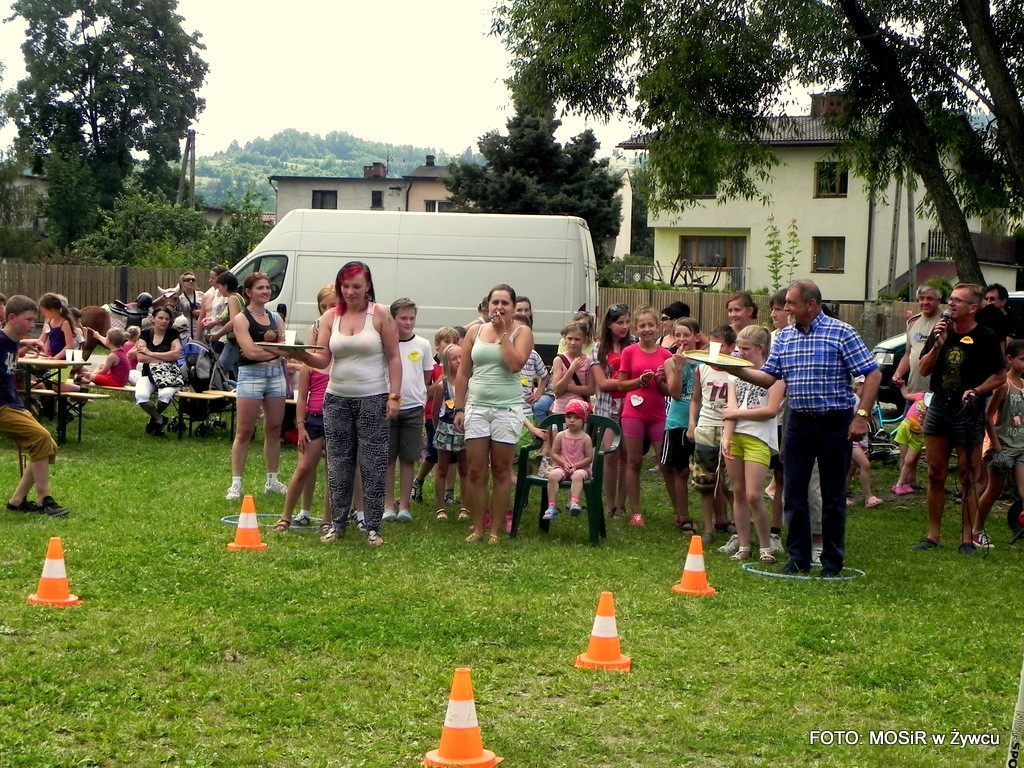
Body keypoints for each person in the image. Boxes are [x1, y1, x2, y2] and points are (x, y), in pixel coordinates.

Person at [729, 280, 880, 576]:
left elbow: (872, 374)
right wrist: (731, 369)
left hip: (834, 422)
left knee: (832, 495)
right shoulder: (785, 337)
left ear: (811, 305)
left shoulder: (841, 332)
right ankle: (798, 558)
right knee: (794, 493)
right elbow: (768, 378)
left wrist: (861, 415)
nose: (786, 308)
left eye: (791, 303)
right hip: (798, 422)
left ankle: (831, 562)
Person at [297, 261, 402, 547]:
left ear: (367, 286)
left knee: (373, 464)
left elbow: (394, 357)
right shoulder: (331, 317)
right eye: (345, 286)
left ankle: (373, 527)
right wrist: (300, 354)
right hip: (337, 398)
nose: (350, 291)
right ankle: (337, 525)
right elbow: (323, 360)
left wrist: (394, 396)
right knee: (338, 463)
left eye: (356, 286)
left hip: (373, 397)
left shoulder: (379, 314)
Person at [913, 282, 1006, 554]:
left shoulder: (986, 336)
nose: (951, 304)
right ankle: (932, 535)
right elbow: (924, 369)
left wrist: (977, 390)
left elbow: (1000, 375)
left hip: (969, 410)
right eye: (950, 299)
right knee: (935, 473)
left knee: (968, 476)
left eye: (957, 300)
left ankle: (967, 538)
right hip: (940, 407)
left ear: (973, 308)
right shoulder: (941, 330)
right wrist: (938, 345)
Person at [453, 283, 533, 544]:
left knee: (500, 469)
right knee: (476, 470)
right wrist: (459, 407)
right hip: (477, 407)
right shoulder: (474, 332)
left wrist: (501, 334)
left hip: (506, 409)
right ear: (487, 306)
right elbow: (463, 372)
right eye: (495, 302)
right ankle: (478, 528)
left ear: (513, 307)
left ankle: (495, 531)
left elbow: (514, 365)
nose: (499, 307)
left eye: (505, 303)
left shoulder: (522, 331)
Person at [275, 285, 337, 532]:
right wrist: (300, 426)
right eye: (323, 307)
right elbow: (302, 397)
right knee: (303, 468)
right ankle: (287, 516)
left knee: (334, 470)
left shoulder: (343, 357)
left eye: (332, 305)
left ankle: (328, 519)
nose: (328, 310)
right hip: (314, 419)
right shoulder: (312, 359)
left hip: (337, 416)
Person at [721, 325, 785, 563]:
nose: (740, 352)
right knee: (737, 492)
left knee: (753, 495)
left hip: (758, 438)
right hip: (736, 436)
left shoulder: (775, 375)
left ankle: (766, 547)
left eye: (745, 348)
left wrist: (737, 413)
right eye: (738, 348)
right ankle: (744, 545)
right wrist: (726, 437)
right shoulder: (734, 374)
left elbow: (770, 411)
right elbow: (730, 408)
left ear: (760, 348)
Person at [0, 295, 69, 517]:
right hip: (2, 406)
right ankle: (43, 499)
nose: (33, 325)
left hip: (12, 402)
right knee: (41, 439)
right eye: (28, 320)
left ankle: (17, 500)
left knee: (48, 444)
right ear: (12, 318)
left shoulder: (13, 341)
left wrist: (24, 344)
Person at [224, 273, 290, 501]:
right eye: (260, 288)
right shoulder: (241, 319)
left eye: (267, 287)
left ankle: (272, 481)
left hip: (276, 375)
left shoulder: (276, 318)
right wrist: (276, 351)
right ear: (248, 292)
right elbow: (250, 353)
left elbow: (287, 348)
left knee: (274, 428)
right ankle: (236, 484)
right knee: (244, 431)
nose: (265, 291)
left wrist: (269, 350)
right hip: (251, 374)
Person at [616, 306, 673, 526]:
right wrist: (639, 381)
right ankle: (636, 512)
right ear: (636, 328)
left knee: (665, 462)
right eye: (642, 325)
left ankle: (679, 512)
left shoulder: (666, 355)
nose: (646, 329)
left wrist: (659, 381)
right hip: (633, 413)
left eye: (650, 325)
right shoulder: (629, 352)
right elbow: (622, 385)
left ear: (658, 326)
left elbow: (668, 391)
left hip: (657, 414)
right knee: (634, 461)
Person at [382, 298, 433, 523]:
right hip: (388, 405)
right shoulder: (385, 344)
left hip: (413, 408)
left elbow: (427, 375)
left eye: (412, 318)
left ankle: (404, 505)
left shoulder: (423, 344)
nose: (408, 322)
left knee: (408, 458)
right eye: (403, 318)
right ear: (393, 319)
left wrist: (419, 397)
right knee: (387, 458)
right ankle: (387, 505)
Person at [689, 325, 737, 545]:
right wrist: (692, 423)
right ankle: (708, 527)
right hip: (707, 427)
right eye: (712, 345)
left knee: (732, 483)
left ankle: (737, 525)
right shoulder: (701, 369)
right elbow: (696, 398)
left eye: (721, 346)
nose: (715, 350)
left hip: (730, 428)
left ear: (732, 347)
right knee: (705, 480)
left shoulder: (737, 370)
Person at [975, 339, 1024, 549]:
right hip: (1003, 447)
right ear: (1009, 359)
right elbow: (988, 416)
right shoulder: (1004, 386)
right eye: (1022, 359)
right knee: (994, 490)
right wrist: (997, 448)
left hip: (1021, 448)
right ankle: (976, 530)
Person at [591, 303, 633, 518]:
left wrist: (630, 383)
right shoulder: (598, 348)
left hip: (631, 407)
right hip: (608, 408)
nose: (624, 326)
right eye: (619, 322)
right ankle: (609, 504)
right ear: (608, 324)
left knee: (627, 455)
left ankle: (622, 505)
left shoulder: (634, 345)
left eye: (627, 322)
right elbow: (602, 383)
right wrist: (631, 382)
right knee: (610, 455)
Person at [412, 326, 462, 505]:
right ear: (437, 345)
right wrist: (443, 379)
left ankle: (449, 493)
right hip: (434, 417)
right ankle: (418, 480)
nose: (450, 345)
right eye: (446, 341)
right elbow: (428, 392)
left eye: (454, 342)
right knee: (434, 454)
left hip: (454, 419)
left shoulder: (460, 367)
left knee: (453, 456)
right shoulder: (432, 367)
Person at [662, 317, 700, 533]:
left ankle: (720, 518)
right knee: (680, 470)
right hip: (677, 422)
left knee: (709, 472)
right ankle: (683, 516)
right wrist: (678, 366)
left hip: (702, 421)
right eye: (678, 335)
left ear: (696, 336)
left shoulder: (704, 362)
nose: (682, 339)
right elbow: (675, 393)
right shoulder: (669, 362)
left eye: (687, 335)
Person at [432, 341, 469, 521]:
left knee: (465, 468)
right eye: (454, 358)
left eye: (461, 357)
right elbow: (435, 412)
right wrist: (437, 428)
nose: (458, 361)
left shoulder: (470, 383)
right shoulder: (442, 386)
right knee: (442, 468)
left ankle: (465, 506)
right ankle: (441, 507)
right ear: (446, 362)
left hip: (465, 430)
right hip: (446, 429)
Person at [542, 399, 595, 520]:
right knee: (552, 476)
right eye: (569, 417)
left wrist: (577, 465)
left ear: (583, 420)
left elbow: (589, 457)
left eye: (576, 418)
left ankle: (574, 502)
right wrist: (563, 463)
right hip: (562, 467)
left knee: (577, 476)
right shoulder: (561, 435)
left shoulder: (585, 438)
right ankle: (552, 506)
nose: (571, 420)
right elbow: (554, 453)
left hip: (581, 468)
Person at [133, 305, 182, 436]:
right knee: (141, 397)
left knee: (165, 396)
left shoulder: (173, 334)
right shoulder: (145, 334)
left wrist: (150, 353)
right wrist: (165, 357)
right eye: (160, 318)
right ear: (153, 319)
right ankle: (159, 419)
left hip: (168, 375)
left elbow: (176, 354)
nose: (164, 321)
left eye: (167, 319)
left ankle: (154, 420)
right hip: (147, 374)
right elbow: (140, 357)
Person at [891, 285, 942, 396]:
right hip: (913, 392)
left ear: (938, 301)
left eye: (930, 298)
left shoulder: (945, 322)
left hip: (935, 394)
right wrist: (898, 374)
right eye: (921, 298)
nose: (925, 302)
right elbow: (908, 354)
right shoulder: (912, 322)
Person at [847, 376, 884, 509]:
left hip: (863, 438)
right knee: (865, 464)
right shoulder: (852, 400)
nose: (865, 387)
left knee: (851, 468)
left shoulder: (868, 402)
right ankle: (869, 497)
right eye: (862, 384)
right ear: (857, 385)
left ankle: (841, 495)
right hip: (851, 438)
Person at [551, 321, 594, 414]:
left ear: (584, 340)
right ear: (564, 339)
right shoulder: (559, 360)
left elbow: (591, 390)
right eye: (570, 338)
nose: (573, 342)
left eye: (577, 339)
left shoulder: (589, 360)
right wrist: (571, 370)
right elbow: (557, 390)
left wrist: (565, 388)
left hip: (581, 410)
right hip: (561, 409)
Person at [891, 391, 928, 496]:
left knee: (909, 460)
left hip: (918, 434)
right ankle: (904, 483)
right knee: (904, 459)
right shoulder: (921, 395)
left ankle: (899, 484)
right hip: (905, 428)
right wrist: (902, 386)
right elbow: (906, 395)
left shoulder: (936, 404)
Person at [37, 293, 82, 360]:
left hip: (64, 359)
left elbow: (69, 346)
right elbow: (41, 341)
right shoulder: (49, 322)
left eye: (44, 311)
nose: (43, 314)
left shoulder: (65, 323)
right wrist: (36, 354)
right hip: (54, 357)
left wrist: (55, 358)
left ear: (52, 310)